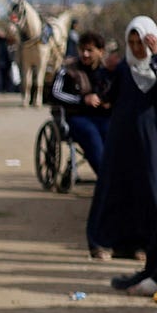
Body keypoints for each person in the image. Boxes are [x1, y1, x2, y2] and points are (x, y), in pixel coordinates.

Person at [90, 17, 157, 274]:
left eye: (142, 42)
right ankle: (108, 243)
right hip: (123, 140)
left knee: (150, 189)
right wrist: (102, 78)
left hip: (155, 141)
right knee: (117, 188)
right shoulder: (124, 69)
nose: (138, 49)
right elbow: (107, 96)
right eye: (133, 42)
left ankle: (144, 244)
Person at [49, 32, 112, 219]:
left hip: (104, 117)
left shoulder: (109, 71)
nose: (85, 54)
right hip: (78, 117)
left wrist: (108, 101)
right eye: (82, 50)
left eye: (90, 50)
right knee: (91, 137)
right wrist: (82, 99)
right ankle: (107, 183)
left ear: (101, 51)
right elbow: (55, 93)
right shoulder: (68, 69)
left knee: (112, 136)